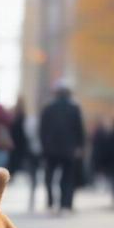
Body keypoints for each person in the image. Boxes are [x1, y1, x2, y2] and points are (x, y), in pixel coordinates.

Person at [39, 80, 85, 211]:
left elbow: (42, 129)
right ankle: (66, 203)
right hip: (68, 149)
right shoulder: (74, 108)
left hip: (50, 149)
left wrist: (44, 145)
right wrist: (80, 146)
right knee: (68, 177)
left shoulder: (48, 108)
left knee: (49, 177)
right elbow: (79, 129)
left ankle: (50, 202)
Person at [8, 96, 29, 177]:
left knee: (12, 162)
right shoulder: (23, 115)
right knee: (16, 162)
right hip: (20, 142)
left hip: (12, 142)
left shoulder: (12, 115)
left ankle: (11, 176)